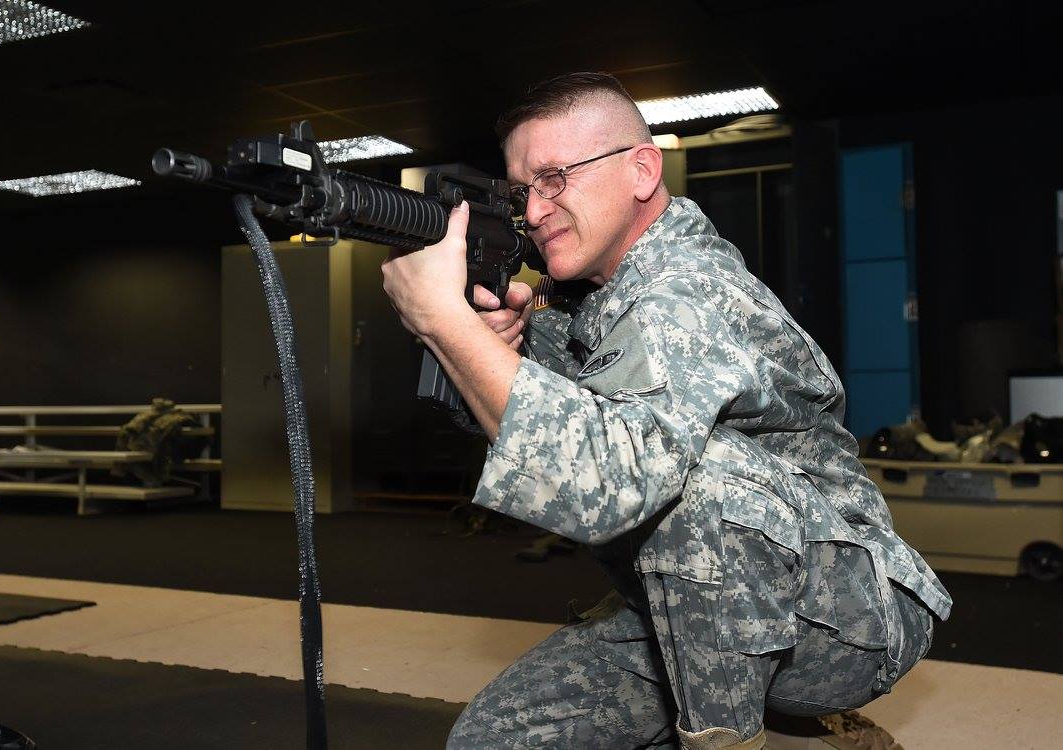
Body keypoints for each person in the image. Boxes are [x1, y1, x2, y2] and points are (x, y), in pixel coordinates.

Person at [381, 72, 951, 749]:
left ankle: (745, 732)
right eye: (521, 190)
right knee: (492, 742)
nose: (533, 212)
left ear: (641, 171)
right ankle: (787, 723)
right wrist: (490, 345)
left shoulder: (686, 293)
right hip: (681, 609)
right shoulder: (596, 307)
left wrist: (446, 322)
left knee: (695, 483)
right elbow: (537, 430)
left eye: (555, 178)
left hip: (842, 623)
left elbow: (603, 483)